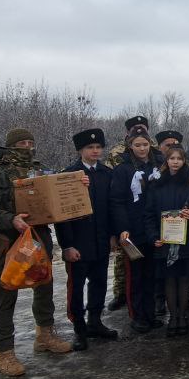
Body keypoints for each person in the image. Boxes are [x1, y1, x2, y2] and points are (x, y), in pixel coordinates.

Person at [0, 128, 73, 376]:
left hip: (38, 237)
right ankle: (3, 352)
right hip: (8, 241)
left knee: (44, 286)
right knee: (5, 293)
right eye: (22, 143)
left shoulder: (38, 169)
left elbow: (54, 194)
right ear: (10, 146)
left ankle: (45, 335)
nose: (27, 147)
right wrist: (10, 220)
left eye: (30, 142)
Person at [53, 128, 117, 350]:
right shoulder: (68, 175)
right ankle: (79, 328)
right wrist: (67, 245)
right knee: (77, 287)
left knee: (99, 283)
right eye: (90, 147)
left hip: (101, 240)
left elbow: (111, 208)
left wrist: (112, 236)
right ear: (81, 150)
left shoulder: (107, 174)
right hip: (78, 243)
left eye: (98, 147)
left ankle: (95, 321)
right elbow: (62, 215)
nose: (95, 151)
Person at [144, 146, 189, 336]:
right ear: (166, 161)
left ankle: (182, 316)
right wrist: (153, 236)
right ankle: (173, 317)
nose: (176, 162)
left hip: (187, 238)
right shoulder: (157, 184)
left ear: (184, 161)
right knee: (169, 279)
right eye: (172, 158)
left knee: (184, 278)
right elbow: (148, 214)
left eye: (179, 158)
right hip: (164, 240)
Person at [107, 130, 160, 330]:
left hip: (154, 228)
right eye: (137, 145)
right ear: (131, 146)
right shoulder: (123, 170)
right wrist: (122, 228)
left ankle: (150, 313)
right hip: (134, 230)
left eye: (145, 144)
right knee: (135, 275)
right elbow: (117, 202)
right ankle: (137, 315)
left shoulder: (157, 165)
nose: (142, 148)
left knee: (152, 274)